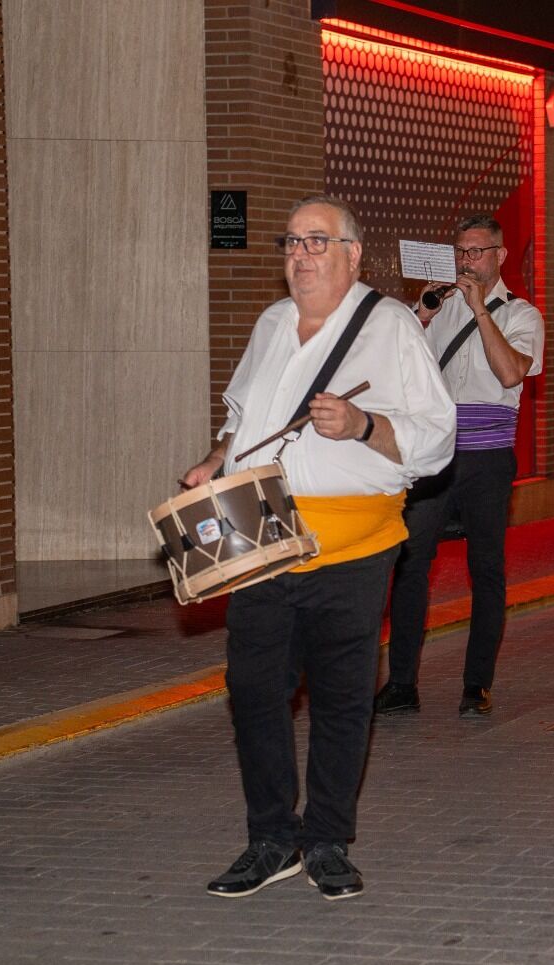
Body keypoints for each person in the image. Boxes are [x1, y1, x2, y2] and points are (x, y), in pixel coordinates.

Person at [182, 195, 456, 900]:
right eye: (292, 242)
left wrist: (364, 423)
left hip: (354, 548)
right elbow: (242, 419)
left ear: (354, 253)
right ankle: (272, 838)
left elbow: (435, 439)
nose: (300, 255)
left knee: (340, 699)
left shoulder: (391, 326)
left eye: (316, 242)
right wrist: (217, 461)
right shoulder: (273, 323)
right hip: (263, 539)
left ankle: (328, 838)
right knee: (253, 691)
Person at [375, 214, 545, 719]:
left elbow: (512, 371)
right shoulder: (436, 307)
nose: (467, 262)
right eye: (461, 253)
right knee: (410, 567)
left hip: (489, 458)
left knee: (486, 569)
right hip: (436, 457)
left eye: (477, 252)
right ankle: (402, 684)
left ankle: (477, 685)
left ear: (500, 255)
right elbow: (393, 368)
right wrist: (422, 316)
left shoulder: (522, 314)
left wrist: (480, 311)